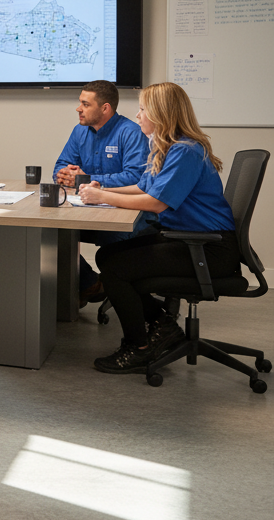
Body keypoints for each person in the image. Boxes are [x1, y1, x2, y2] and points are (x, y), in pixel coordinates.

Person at [80, 82, 240, 374]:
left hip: (208, 250)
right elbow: (142, 187)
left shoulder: (186, 151)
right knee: (107, 256)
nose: (138, 115)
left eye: (143, 109)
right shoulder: (171, 148)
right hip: (190, 241)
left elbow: (155, 203)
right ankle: (163, 325)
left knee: (116, 268)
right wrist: (102, 186)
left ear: (161, 114)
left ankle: (137, 348)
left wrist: (101, 197)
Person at [52, 80, 150, 303]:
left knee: (111, 244)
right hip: (86, 211)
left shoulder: (130, 132)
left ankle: (112, 286)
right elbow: (61, 166)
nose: (78, 109)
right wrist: (64, 174)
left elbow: (137, 177)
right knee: (52, 232)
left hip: (125, 215)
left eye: (85, 104)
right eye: (80, 103)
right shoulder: (79, 132)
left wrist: (86, 179)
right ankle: (90, 285)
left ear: (105, 108)